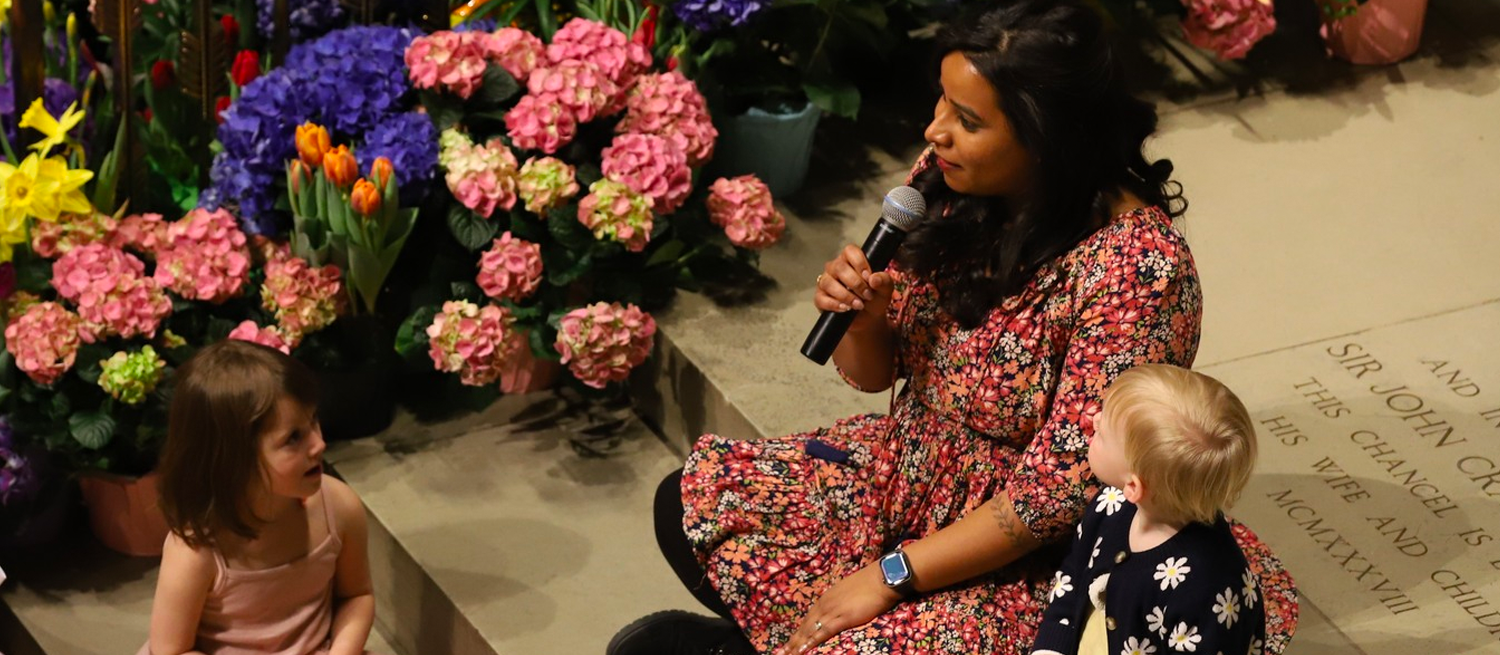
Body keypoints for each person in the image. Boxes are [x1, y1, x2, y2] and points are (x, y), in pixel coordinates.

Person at [611, 1, 1296, 654]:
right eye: (941, 101)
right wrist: (866, 320)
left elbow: (1055, 498)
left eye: (968, 119)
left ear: (1046, 136)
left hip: (1032, 552)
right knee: (690, 502)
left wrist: (890, 576)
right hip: (908, 475)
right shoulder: (946, 184)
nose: (937, 130)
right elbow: (879, 373)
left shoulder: (1139, 270)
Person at [140, 340, 378, 655]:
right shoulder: (195, 551)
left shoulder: (339, 507)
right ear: (233, 460)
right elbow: (171, 651)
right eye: (293, 437)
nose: (319, 443)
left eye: (313, 421)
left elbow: (356, 595)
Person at [1031, 364, 1265, 655]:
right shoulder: (1111, 506)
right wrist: (1052, 645)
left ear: (1134, 486)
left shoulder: (1205, 588)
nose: (1094, 418)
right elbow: (1074, 576)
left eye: (1103, 434)